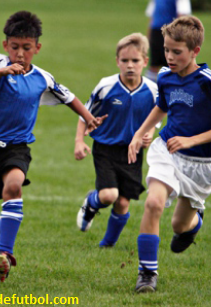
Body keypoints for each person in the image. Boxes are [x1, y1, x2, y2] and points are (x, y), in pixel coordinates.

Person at [0, 10, 107, 282]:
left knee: (13, 185)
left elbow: (68, 97)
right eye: (15, 47)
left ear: (37, 48)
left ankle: (5, 254)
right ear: (6, 45)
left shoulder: (42, 77)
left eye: (27, 48)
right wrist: (1, 72)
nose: (20, 54)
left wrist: (88, 118)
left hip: (17, 146)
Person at [128, 16, 211, 293]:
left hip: (202, 164)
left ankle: (194, 223)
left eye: (177, 51)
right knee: (153, 204)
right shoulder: (165, 76)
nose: (170, 57)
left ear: (195, 51)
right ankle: (147, 273)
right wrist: (140, 133)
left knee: (179, 225)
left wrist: (191, 140)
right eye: (166, 49)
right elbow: (162, 105)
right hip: (168, 150)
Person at [75, 33, 158, 248]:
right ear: (117, 62)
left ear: (145, 62)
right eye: (125, 61)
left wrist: (150, 132)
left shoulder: (152, 89)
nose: (130, 66)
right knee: (109, 195)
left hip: (133, 151)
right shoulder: (106, 86)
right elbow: (84, 112)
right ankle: (91, 204)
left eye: (135, 61)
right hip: (105, 148)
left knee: (123, 202)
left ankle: (107, 245)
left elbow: (157, 115)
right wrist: (79, 141)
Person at [145, 0, 191, 82]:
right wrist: (149, 36)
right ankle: (150, 88)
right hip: (156, 32)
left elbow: (182, 16)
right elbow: (153, 16)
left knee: (172, 62)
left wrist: (179, 35)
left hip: (170, 33)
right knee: (154, 63)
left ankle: (173, 87)